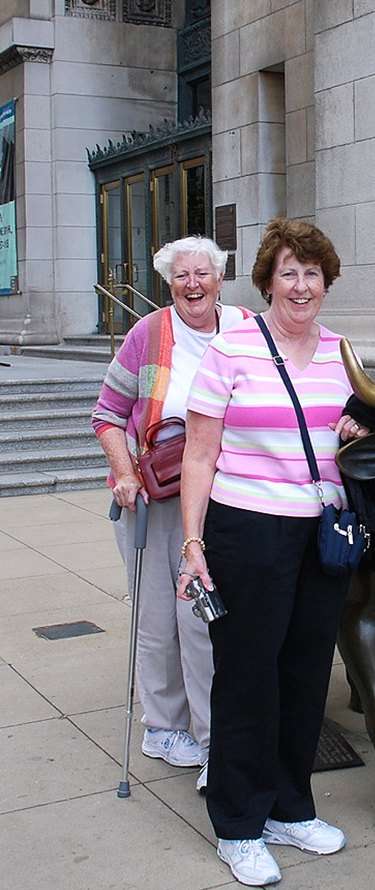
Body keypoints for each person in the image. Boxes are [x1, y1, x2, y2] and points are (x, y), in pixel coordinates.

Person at [176, 217, 368, 887]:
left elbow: (364, 436)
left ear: (326, 282)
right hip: (246, 531)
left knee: (306, 674)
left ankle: (289, 806)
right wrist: (193, 542)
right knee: (247, 677)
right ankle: (237, 822)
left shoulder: (345, 352)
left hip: (321, 534)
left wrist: (360, 424)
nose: (301, 284)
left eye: (312, 273)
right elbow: (199, 455)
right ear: (266, 281)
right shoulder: (231, 349)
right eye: (288, 272)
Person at [92, 235, 251, 782]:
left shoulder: (247, 327)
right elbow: (107, 414)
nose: (193, 284)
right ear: (169, 282)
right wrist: (126, 473)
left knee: (207, 620)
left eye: (202, 273)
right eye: (182, 275)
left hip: (228, 491)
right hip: (156, 495)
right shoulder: (147, 334)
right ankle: (162, 726)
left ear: (220, 278)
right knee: (161, 615)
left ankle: (214, 736)